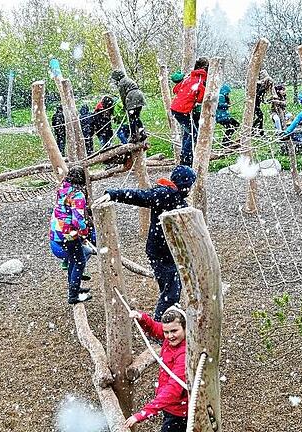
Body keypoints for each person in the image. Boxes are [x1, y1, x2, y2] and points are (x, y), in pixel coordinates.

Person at [94, 165, 197, 320]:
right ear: (185, 185)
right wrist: (113, 194)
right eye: (189, 186)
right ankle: (161, 326)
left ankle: (169, 316)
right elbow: (140, 196)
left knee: (170, 287)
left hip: (166, 250)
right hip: (161, 252)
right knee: (171, 291)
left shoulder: (175, 196)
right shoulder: (165, 194)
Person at [124, 307, 188, 431]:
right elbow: (155, 328)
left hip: (179, 412)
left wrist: (143, 413)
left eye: (174, 331)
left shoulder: (184, 354)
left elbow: (174, 388)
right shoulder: (172, 338)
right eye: (166, 332)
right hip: (171, 407)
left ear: (185, 328)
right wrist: (141, 318)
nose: (170, 336)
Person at [50, 166, 92, 304]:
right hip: (68, 234)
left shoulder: (62, 188)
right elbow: (78, 219)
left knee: (75, 259)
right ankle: (73, 295)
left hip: (56, 231)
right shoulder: (77, 195)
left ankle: (74, 287)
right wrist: (85, 232)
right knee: (79, 260)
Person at [171, 57, 209, 167]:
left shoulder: (189, 77)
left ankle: (185, 156)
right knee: (194, 133)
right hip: (182, 110)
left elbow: (176, 89)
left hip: (175, 108)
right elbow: (201, 98)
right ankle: (186, 158)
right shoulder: (201, 79)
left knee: (189, 132)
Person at [111, 70, 147, 142]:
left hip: (131, 98)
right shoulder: (128, 79)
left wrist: (125, 105)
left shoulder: (121, 83)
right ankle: (142, 132)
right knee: (136, 117)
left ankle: (133, 136)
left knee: (131, 119)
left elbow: (123, 96)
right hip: (139, 95)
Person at [252, 70, 274, 135]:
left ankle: (259, 130)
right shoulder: (259, 86)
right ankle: (254, 129)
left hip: (256, 103)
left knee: (260, 116)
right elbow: (257, 95)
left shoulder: (262, 86)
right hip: (254, 104)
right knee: (260, 116)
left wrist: (265, 101)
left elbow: (260, 97)